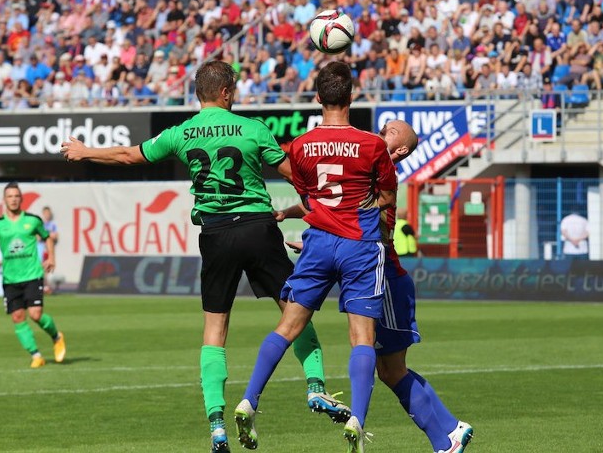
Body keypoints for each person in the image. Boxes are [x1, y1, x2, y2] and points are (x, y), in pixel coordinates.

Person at [61, 60, 345, 453]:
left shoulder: (181, 133)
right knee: (296, 311)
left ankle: (216, 424)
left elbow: (129, 156)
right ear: (227, 92)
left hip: (215, 234)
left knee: (215, 329)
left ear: (199, 93)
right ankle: (315, 386)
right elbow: (298, 177)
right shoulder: (253, 129)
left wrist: (85, 151)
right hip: (258, 228)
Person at [234, 61, 398, 453]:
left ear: (318, 98)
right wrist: (383, 232)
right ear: (352, 97)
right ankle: (357, 417)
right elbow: (388, 199)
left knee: (288, 326)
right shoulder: (373, 145)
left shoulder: (301, 146)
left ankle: (249, 400)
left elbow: (308, 197)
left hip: (319, 242)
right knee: (362, 337)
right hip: (360, 244)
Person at [281, 120, 473, 453]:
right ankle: (449, 432)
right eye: (384, 126)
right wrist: (313, 238)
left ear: (400, 150)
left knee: (388, 366)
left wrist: (327, 244)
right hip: (375, 273)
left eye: (391, 131)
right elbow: (326, 205)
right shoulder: (365, 172)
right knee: (389, 369)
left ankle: (446, 435)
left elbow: (365, 233)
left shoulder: (383, 180)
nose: (382, 130)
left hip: (387, 279)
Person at [0, 182, 66, 368]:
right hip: (10, 279)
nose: (13, 199)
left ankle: (56, 336)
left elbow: (47, 238)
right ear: (4, 200)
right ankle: (36, 355)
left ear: (21, 199)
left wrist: (51, 257)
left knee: (36, 315)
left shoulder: (33, 220)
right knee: (17, 317)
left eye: (16, 196)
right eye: (10, 196)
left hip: (32, 274)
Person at [39, 206, 59, 294]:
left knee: (47, 268)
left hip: (49, 250)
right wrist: (48, 235)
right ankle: (42, 286)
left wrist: (46, 236)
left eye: (49, 213)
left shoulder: (53, 224)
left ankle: (46, 287)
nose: (47, 215)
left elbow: (55, 236)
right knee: (40, 268)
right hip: (41, 249)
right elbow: (38, 237)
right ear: (43, 213)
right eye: (46, 213)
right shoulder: (40, 224)